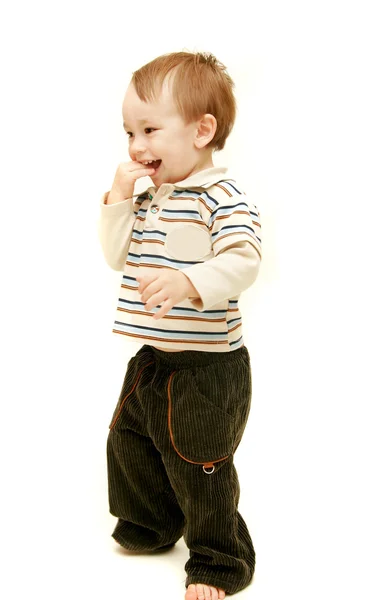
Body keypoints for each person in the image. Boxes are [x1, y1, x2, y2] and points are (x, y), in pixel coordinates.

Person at [98, 51, 262, 600]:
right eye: (129, 132)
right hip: (154, 359)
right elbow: (118, 255)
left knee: (201, 464)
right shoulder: (151, 199)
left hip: (209, 371)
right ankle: (150, 526)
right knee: (130, 441)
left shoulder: (222, 196)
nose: (136, 146)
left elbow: (244, 259)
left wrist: (191, 283)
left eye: (149, 130)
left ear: (202, 130)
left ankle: (219, 561)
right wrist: (119, 202)